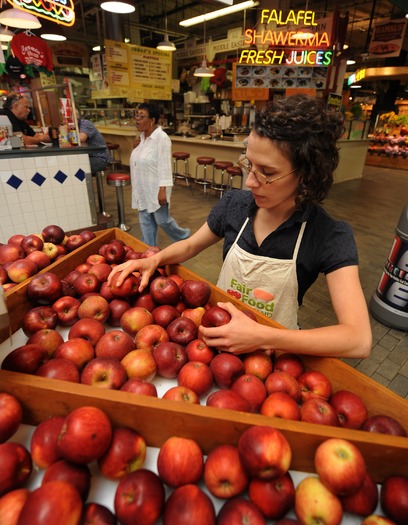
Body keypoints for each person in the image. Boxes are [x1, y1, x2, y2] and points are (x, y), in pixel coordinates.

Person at [108, 94, 372, 360]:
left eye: (267, 173)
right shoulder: (234, 205)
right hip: (219, 339)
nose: (250, 182)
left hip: (275, 354)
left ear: (307, 174)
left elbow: (358, 340)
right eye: (249, 165)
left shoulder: (328, 235)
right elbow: (190, 245)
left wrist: (262, 336)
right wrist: (155, 260)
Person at [130, 102, 190, 246]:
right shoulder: (142, 138)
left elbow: (164, 165)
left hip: (156, 188)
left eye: (142, 116)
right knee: (145, 220)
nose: (137, 119)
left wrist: (162, 189)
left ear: (152, 120)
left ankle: (184, 237)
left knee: (162, 220)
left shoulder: (161, 138)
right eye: (137, 116)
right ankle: (149, 250)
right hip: (142, 188)